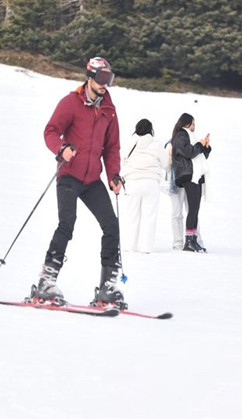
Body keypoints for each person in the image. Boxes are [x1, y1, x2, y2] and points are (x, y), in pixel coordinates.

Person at [30, 56, 125, 309]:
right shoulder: (71, 102)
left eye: (109, 79)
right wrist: (62, 149)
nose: (105, 84)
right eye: (102, 78)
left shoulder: (109, 110)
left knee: (111, 226)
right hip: (69, 175)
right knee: (67, 224)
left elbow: (112, 148)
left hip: (92, 179)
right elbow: (51, 131)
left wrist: (113, 175)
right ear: (90, 77)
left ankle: (107, 288)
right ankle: (46, 282)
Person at [120, 119, 169, 253]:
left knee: (132, 215)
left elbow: (123, 159)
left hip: (132, 181)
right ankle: (146, 247)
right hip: (151, 182)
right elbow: (165, 163)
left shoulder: (130, 142)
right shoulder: (156, 144)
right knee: (149, 215)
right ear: (151, 130)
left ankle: (130, 246)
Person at [171, 113, 211, 252]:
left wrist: (205, 147)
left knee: (195, 209)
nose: (193, 127)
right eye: (192, 124)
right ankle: (188, 241)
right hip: (188, 175)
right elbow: (190, 152)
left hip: (194, 174)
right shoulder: (181, 135)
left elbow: (199, 156)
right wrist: (200, 144)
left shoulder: (188, 136)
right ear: (185, 123)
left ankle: (193, 239)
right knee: (192, 209)